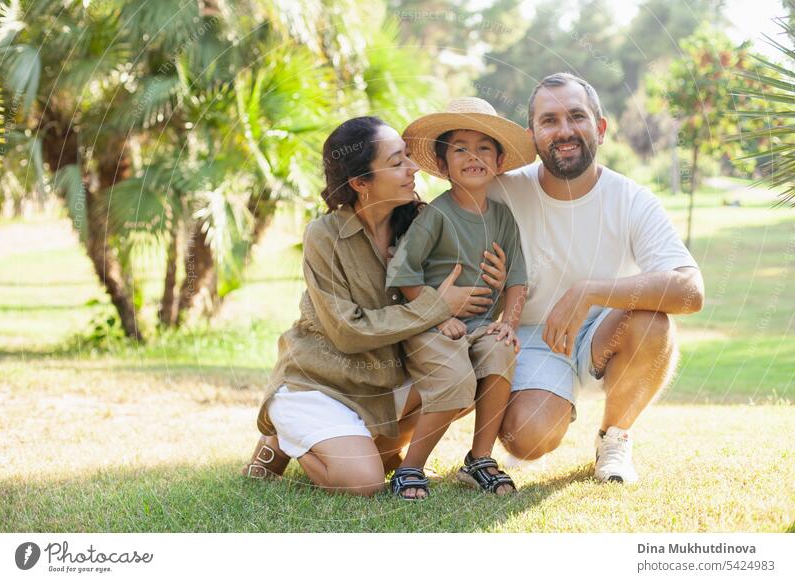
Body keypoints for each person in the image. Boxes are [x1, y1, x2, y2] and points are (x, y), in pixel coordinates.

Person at [243, 116, 507, 496]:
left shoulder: (422, 220)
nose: (413, 168)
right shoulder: (324, 236)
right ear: (361, 183)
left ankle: (345, 444)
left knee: (472, 374)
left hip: (384, 385)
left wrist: (493, 279)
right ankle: (287, 437)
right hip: (322, 384)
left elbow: (459, 289)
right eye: (398, 162)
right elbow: (348, 332)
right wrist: (435, 307)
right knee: (365, 481)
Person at [489, 73, 705, 484]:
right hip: (530, 340)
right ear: (532, 134)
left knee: (651, 320)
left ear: (600, 128)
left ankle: (614, 438)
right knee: (527, 439)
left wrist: (589, 293)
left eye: (577, 116)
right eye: (549, 120)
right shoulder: (503, 192)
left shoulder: (631, 199)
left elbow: (691, 291)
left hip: (601, 332)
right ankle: (539, 408)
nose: (564, 130)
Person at [385, 97, 535, 499]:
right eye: (460, 149)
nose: (473, 157)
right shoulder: (436, 215)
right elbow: (403, 273)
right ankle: (410, 468)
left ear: (499, 162)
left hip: (480, 326)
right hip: (433, 325)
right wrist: (436, 314)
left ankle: (479, 458)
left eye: (484, 147)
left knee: (501, 353)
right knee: (454, 378)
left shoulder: (503, 217)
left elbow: (517, 278)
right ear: (443, 164)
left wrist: (509, 324)